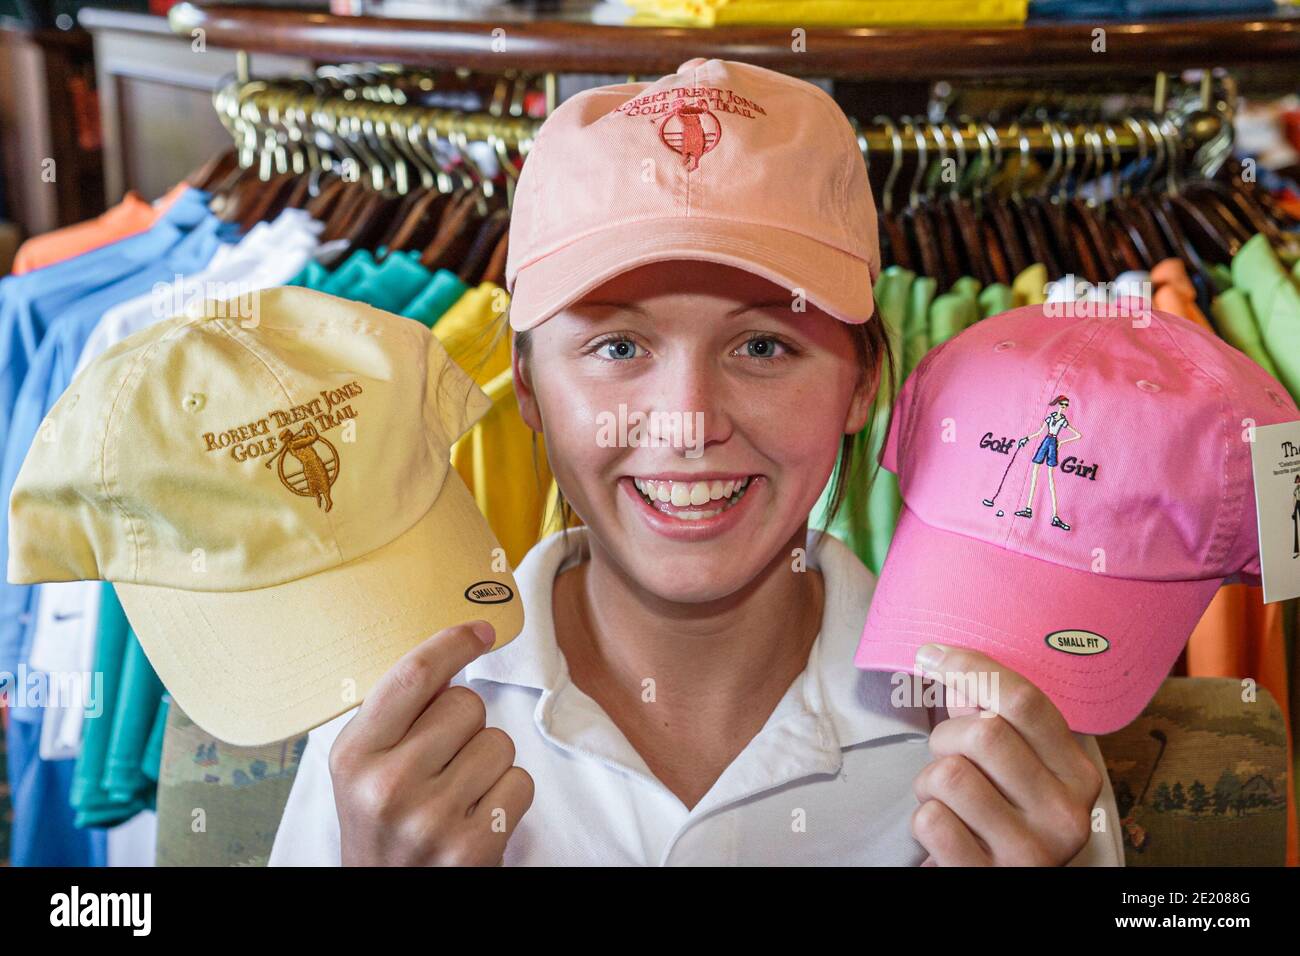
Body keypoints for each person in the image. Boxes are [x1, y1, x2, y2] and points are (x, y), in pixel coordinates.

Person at [269, 59, 1123, 866]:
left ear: (862, 384)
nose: (689, 423)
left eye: (762, 344)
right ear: (526, 385)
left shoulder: (1003, 743)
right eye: (616, 344)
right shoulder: (392, 731)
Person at [1015, 395, 1083, 531]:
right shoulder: (1050, 417)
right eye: (1063, 404)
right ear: (1058, 404)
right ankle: (1028, 509)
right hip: (1046, 441)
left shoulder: (1063, 421)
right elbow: (1040, 431)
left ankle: (1055, 516)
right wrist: (1027, 438)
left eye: (1066, 405)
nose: (1064, 407)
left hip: (1052, 443)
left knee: (1050, 478)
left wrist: (1061, 442)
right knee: (1034, 475)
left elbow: (1077, 435)